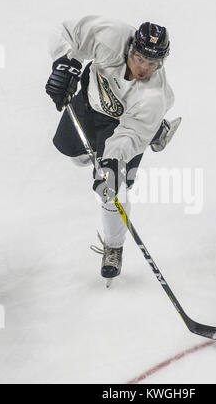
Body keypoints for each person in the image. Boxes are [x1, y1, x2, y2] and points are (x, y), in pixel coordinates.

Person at [45, 16, 175, 283]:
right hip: (89, 101)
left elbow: (130, 134)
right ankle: (156, 131)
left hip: (124, 124)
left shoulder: (153, 96)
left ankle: (113, 245)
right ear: (131, 49)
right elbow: (66, 31)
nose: (144, 68)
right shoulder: (112, 36)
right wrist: (65, 63)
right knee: (70, 150)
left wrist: (111, 162)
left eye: (152, 64)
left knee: (113, 188)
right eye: (140, 59)